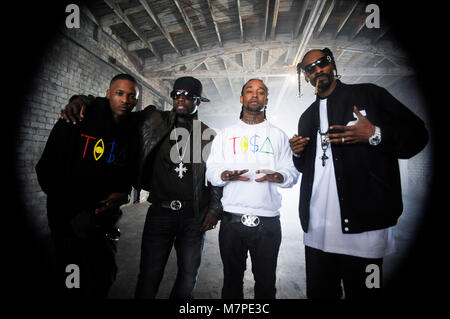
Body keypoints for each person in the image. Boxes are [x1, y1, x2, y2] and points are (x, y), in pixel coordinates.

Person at [61, 76, 223, 299]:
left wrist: (214, 209)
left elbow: (215, 175)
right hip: (160, 213)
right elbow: (119, 107)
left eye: (188, 96)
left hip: (193, 217)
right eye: (177, 94)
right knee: (149, 275)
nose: (181, 99)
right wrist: (81, 100)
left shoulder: (209, 136)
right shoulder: (154, 120)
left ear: (199, 101)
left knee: (188, 276)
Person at [290, 48, 429, 299]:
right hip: (317, 233)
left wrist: (375, 134)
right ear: (306, 77)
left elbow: (418, 134)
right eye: (309, 68)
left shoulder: (369, 95)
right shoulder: (306, 117)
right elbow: (306, 170)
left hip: (366, 231)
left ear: (332, 64)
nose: (317, 70)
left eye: (321, 63)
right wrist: (298, 154)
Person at [36, 73, 139, 298]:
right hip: (70, 222)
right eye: (120, 93)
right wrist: (69, 214)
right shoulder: (77, 117)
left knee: (103, 278)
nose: (125, 100)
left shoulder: (132, 131)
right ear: (108, 94)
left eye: (131, 96)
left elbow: (128, 172)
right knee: (71, 281)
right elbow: (47, 170)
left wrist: (124, 193)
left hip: (104, 224)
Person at [206, 78, 299, 299]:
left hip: (267, 222)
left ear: (267, 99)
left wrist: (280, 176)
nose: (254, 95)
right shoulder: (226, 135)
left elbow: (292, 173)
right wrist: (223, 174)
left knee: (266, 284)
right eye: (249, 91)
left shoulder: (278, 136)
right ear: (242, 98)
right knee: (231, 283)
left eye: (260, 92)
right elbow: (211, 171)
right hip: (232, 221)